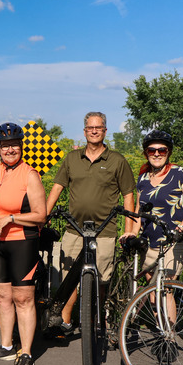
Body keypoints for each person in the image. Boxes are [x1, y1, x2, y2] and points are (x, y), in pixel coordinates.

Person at [45, 112, 136, 334]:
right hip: (74, 229)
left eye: (99, 127)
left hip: (105, 231)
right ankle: (65, 321)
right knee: (68, 278)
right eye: (90, 127)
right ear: (84, 131)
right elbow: (57, 188)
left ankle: (97, 321)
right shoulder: (71, 158)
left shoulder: (117, 160)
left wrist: (129, 229)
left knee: (101, 280)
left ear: (105, 131)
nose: (94, 131)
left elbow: (128, 196)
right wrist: (43, 217)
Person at [0, 123, 46, 365]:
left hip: (22, 242)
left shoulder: (30, 174)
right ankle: (6, 346)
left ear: (21, 147)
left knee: (23, 298)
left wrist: (12, 218)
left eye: (14, 145)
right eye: (5, 146)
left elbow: (41, 215)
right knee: (3, 296)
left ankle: (25, 352)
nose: (10, 149)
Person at [134, 130, 183, 279]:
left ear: (168, 152)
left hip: (173, 242)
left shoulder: (182, 174)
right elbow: (139, 210)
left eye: (161, 150)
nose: (157, 154)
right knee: (152, 294)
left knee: (166, 289)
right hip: (149, 243)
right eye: (152, 150)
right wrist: (132, 232)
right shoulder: (142, 179)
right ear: (146, 153)